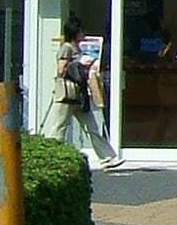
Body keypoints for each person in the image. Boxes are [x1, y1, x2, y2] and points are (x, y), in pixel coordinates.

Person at [48, 16, 123, 169]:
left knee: (92, 127)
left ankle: (107, 157)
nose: (84, 33)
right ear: (75, 33)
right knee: (59, 126)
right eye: (81, 31)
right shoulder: (66, 48)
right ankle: (50, 156)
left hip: (79, 95)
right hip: (67, 95)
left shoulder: (79, 49)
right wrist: (79, 63)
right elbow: (61, 70)